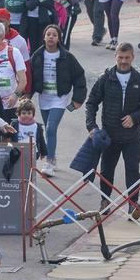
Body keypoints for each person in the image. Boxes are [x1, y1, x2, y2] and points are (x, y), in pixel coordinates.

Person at [85, 44, 140, 214]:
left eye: (127, 58)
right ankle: (105, 202)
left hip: (132, 137)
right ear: (115, 56)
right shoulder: (105, 78)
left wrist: (134, 117)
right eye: (120, 58)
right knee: (107, 170)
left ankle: (133, 204)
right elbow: (91, 103)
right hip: (110, 136)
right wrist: (92, 126)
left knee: (132, 170)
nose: (123, 61)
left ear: (132, 57)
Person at [29, 25, 86, 175]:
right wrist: (26, 96)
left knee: (50, 128)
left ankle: (49, 161)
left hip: (60, 98)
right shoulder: (37, 55)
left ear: (59, 38)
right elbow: (31, 77)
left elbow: (79, 76)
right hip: (44, 97)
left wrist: (78, 99)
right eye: (48, 34)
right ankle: (53, 155)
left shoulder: (67, 56)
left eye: (54, 35)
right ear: (44, 37)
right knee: (49, 130)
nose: (51, 37)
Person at [11, 99, 48, 163]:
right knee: (18, 167)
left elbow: (41, 139)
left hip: (33, 152)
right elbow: (8, 135)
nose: (26, 115)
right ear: (19, 114)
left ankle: (30, 173)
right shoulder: (15, 124)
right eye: (23, 113)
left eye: (29, 113)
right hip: (17, 151)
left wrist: (43, 152)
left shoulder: (37, 126)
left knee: (29, 167)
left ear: (33, 114)